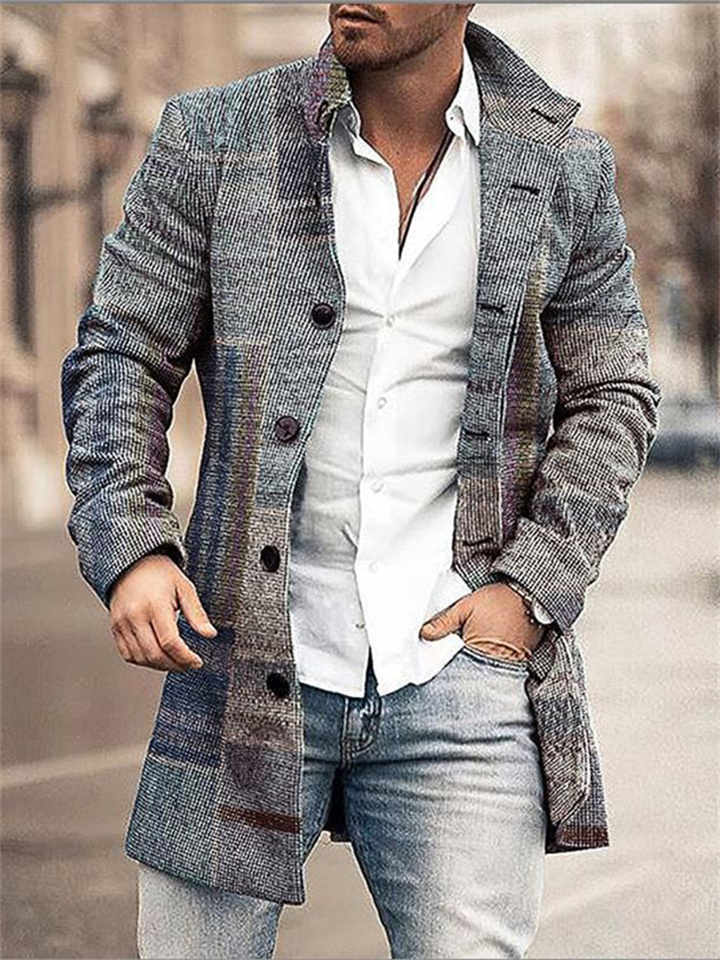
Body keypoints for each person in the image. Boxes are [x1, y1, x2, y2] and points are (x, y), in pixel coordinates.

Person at [60, 4, 662, 958]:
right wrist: (131, 544)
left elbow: (613, 392)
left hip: (456, 669)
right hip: (241, 659)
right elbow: (121, 352)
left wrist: (528, 590)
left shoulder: (562, 167)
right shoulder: (214, 139)